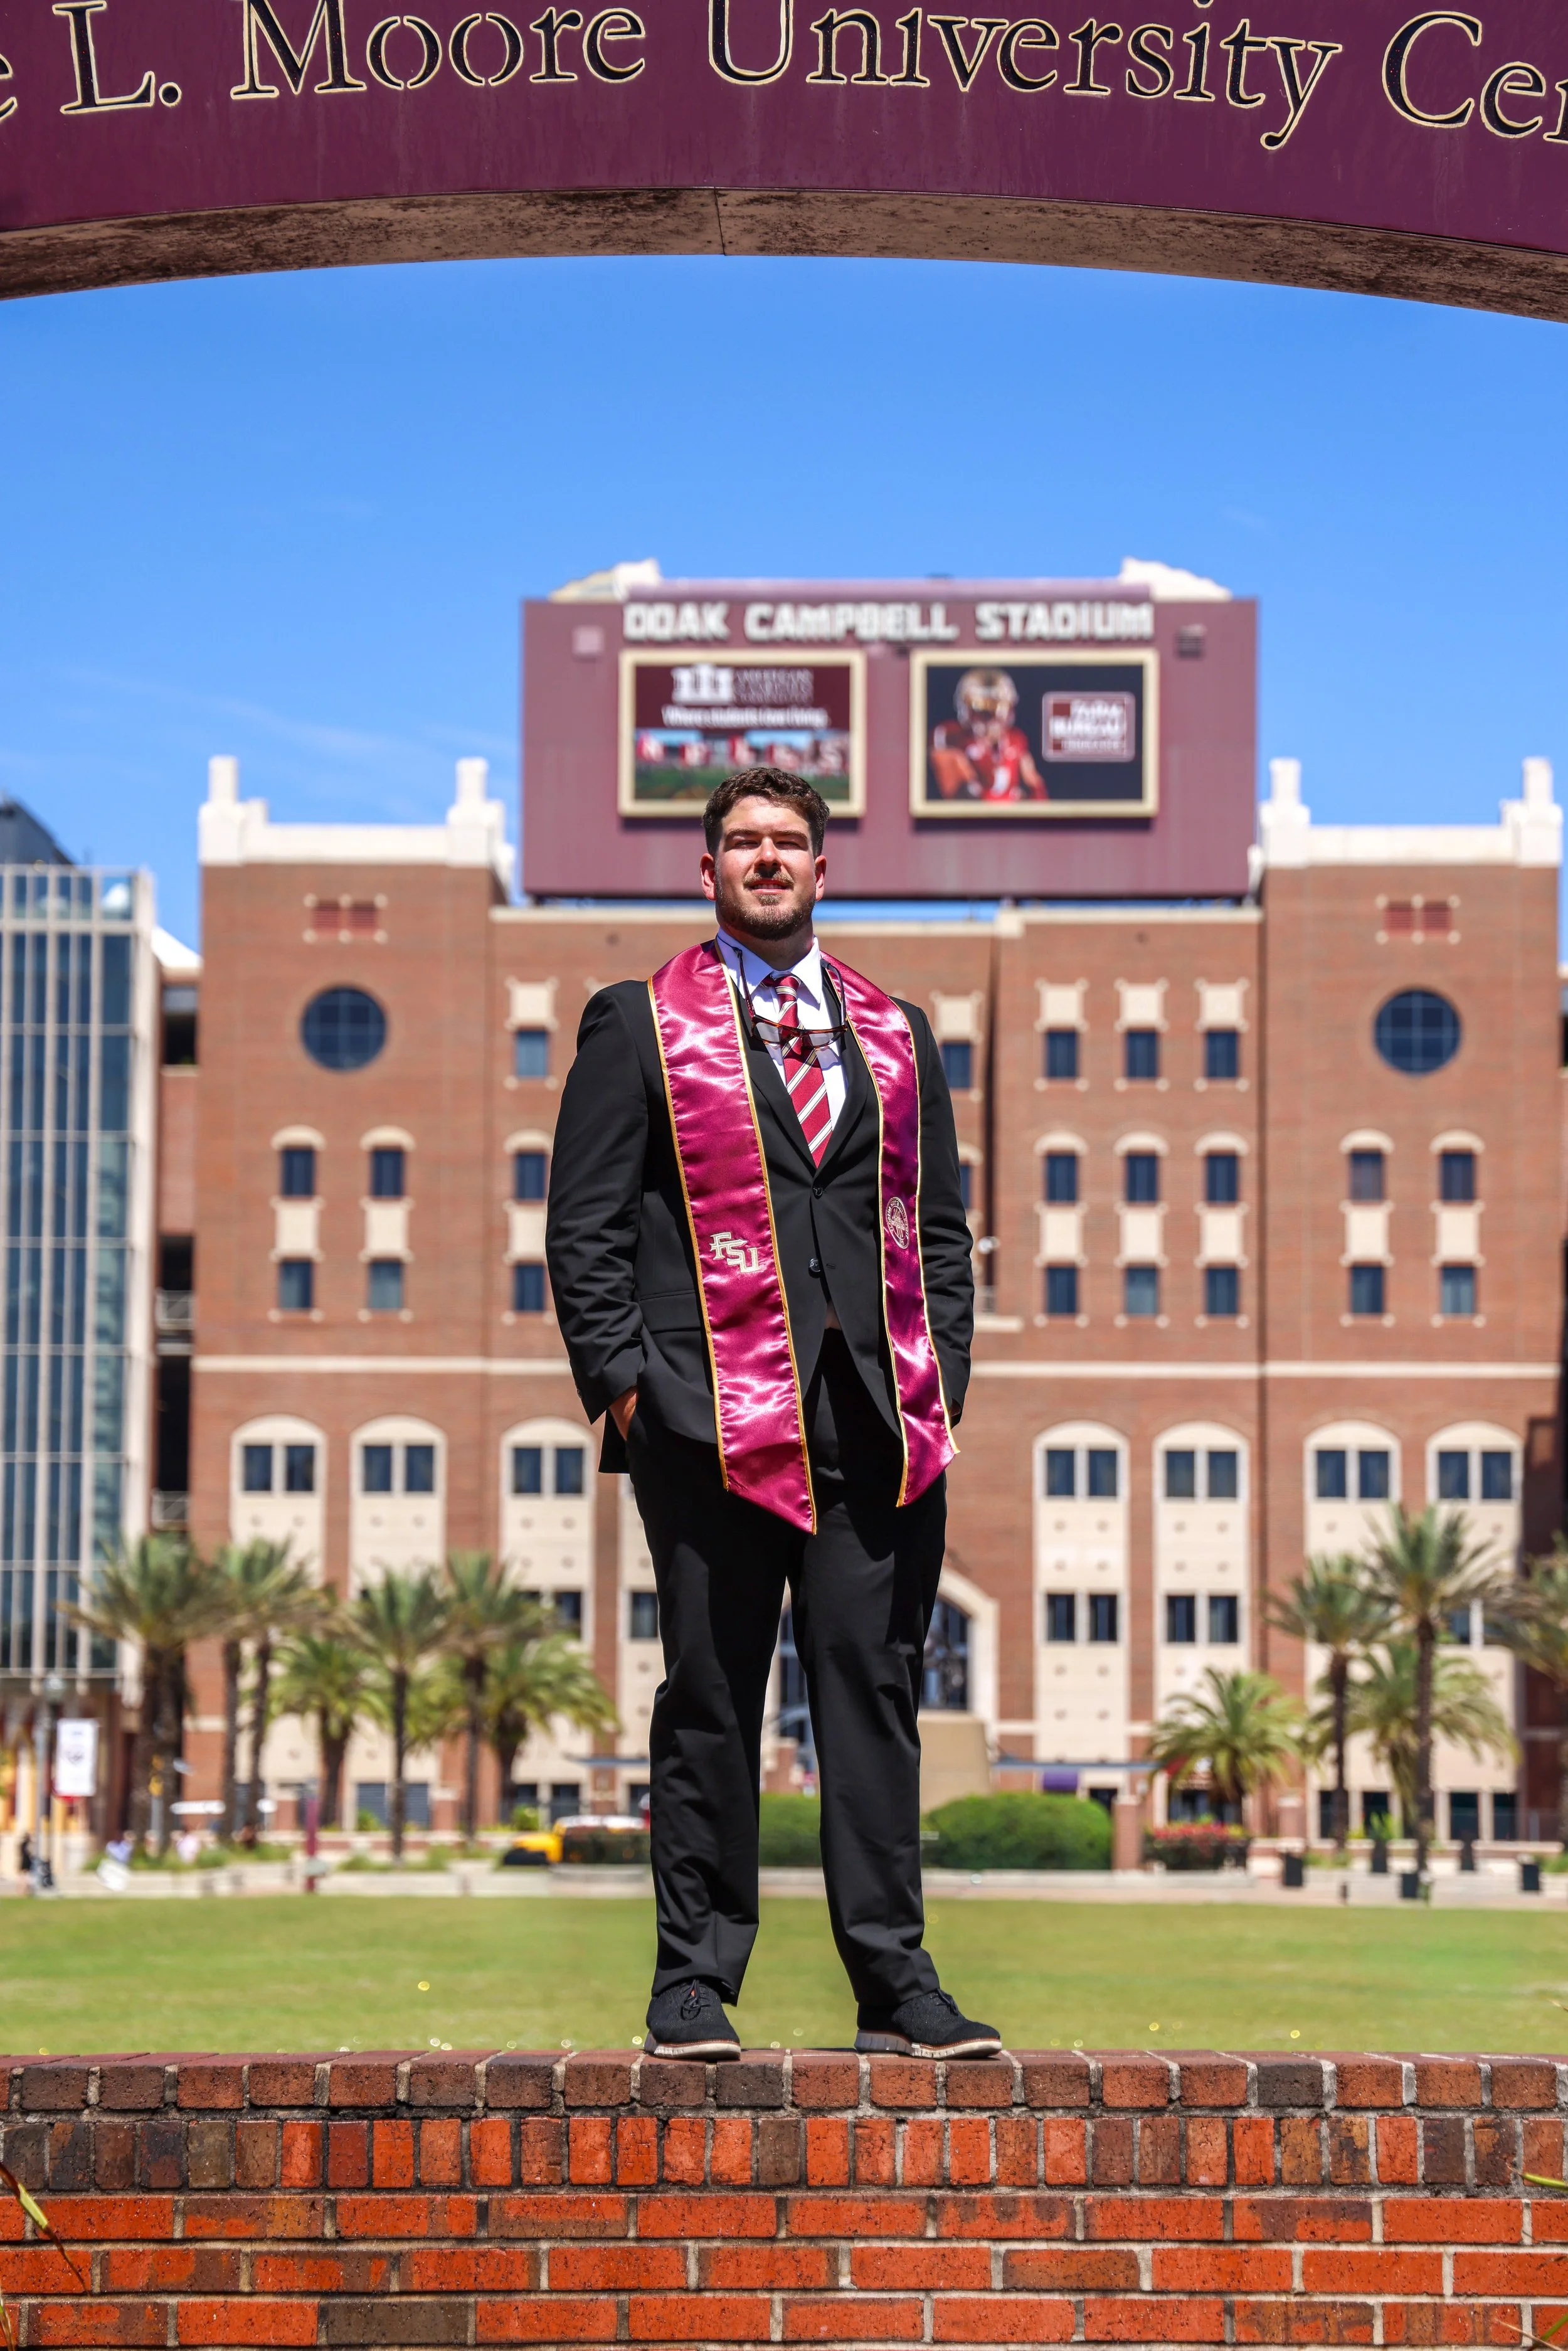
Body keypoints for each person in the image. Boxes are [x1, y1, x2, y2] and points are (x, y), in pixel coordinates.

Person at [546, 765, 998, 2061]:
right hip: (705, 1422)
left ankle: (894, 1984)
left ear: (821, 866)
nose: (764, 858)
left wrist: (939, 1375)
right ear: (706, 871)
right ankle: (692, 1981)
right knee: (708, 1700)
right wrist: (630, 1390)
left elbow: (944, 1229)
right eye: (740, 841)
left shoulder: (895, 1030)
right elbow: (582, 1226)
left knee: (874, 1697)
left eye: (786, 841)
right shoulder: (636, 1022)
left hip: (877, 1422)